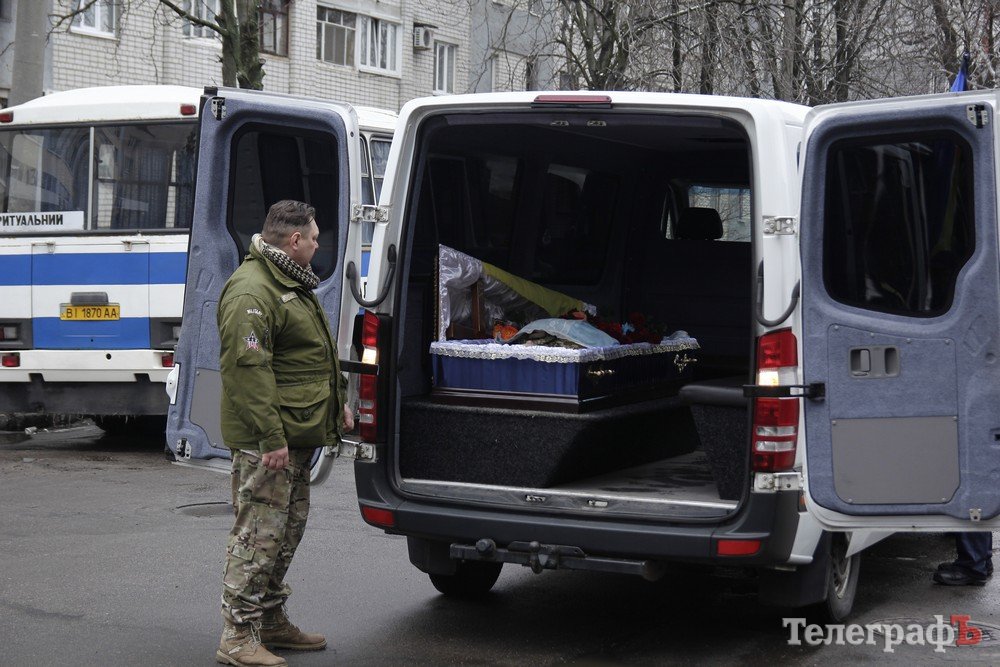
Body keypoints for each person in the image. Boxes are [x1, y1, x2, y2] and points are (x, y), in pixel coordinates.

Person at [215, 200, 353, 667]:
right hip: (269, 442)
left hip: (294, 435)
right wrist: (270, 438)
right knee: (257, 536)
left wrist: (337, 404)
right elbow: (247, 372)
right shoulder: (252, 291)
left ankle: (270, 621)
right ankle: (237, 636)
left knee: (284, 533)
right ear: (295, 241)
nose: (317, 244)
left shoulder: (288, 281)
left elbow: (306, 360)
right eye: (313, 238)